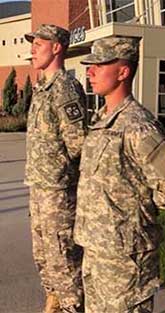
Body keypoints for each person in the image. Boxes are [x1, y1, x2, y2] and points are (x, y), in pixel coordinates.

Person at [74, 37, 165, 313]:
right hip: (96, 247)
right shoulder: (101, 121)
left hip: (125, 256)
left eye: (100, 65)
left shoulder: (138, 126)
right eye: (89, 66)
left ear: (123, 72)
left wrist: (136, 218)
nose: (90, 72)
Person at [24, 24, 87, 313]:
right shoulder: (41, 89)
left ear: (57, 47)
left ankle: (73, 307)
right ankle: (54, 304)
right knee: (44, 257)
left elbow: (78, 145)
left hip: (58, 193)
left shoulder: (65, 88)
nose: (33, 49)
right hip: (39, 187)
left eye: (39, 43)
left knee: (63, 259)